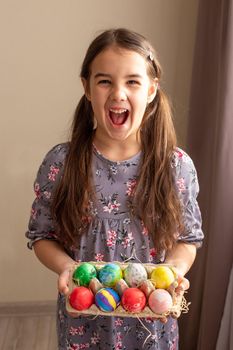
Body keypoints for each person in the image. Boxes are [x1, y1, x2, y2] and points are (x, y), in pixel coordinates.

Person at [26, 28, 204, 350]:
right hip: (83, 322)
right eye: (105, 81)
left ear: (151, 89)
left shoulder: (175, 166)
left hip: (151, 327)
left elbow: (187, 239)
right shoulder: (62, 162)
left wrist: (174, 270)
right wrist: (67, 266)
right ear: (87, 87)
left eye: (132, 81)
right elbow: (42, 236)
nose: (118, 93)